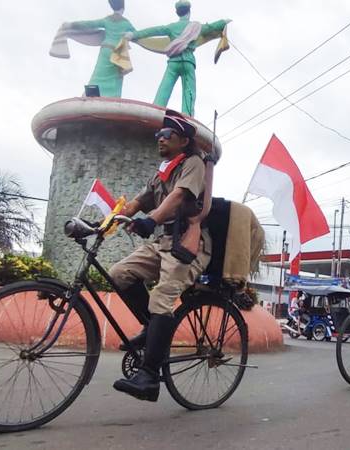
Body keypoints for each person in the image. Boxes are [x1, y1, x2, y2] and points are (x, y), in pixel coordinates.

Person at [108, 109, 213, 401]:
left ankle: (150, 377)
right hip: (162, 242)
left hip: (187, 245)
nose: (160, 139)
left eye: (166, 135)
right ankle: (150, 327)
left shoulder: (193, 163)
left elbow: (177, 197)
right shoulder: (162, 170)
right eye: (158, 135)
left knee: (161, 298)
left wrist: (151, 220)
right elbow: (140, 201)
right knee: (119, 274)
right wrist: (107, 219)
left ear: (182, 140)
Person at [127, 1, 230, 116]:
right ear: (189, 12)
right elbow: (211, 27)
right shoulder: (196, 27)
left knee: (164, 88)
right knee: (189, 91)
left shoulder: (171, 27)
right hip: (188, 62)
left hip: (173, 63)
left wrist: (133, 35)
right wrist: (224, 22)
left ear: (177, 13)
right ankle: (187, 114)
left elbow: (153, 31)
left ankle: (156, 109)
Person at [59, 0, 136, 97]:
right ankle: (113, 98)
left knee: (98, 75)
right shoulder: (126, 23)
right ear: (123, 8)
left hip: (105, 50)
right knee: (115, 79)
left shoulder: (107, 20)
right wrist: (132, 35)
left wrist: (71, 24)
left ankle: (88, 95)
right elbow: (137, 35)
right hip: (118, 54)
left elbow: (89, 24)